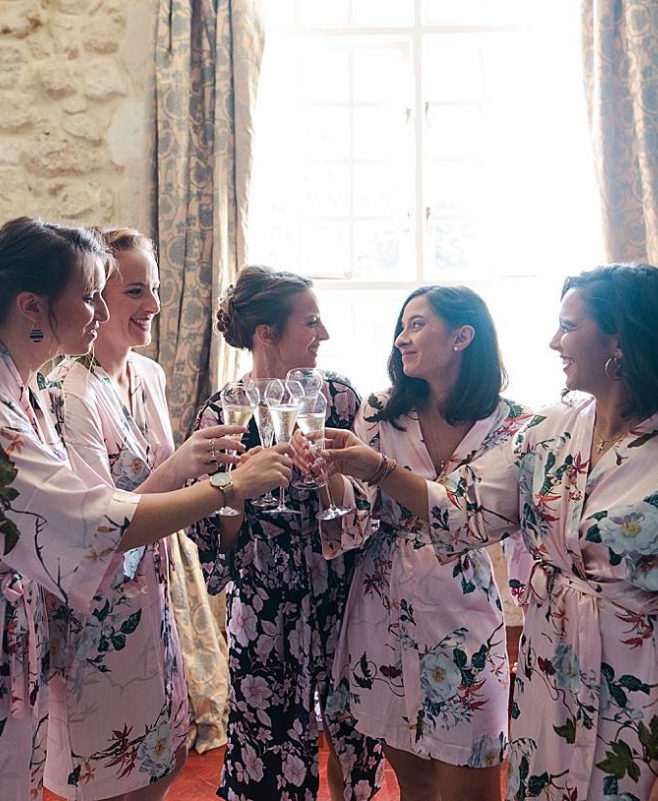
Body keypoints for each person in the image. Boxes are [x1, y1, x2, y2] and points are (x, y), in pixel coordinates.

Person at [0, 218, 291, 801]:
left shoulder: (23, 384)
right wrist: (230, 488)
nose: (100, 310)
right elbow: (89, 522)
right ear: (32, 306)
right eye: (90, 296)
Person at [324, 264, 658, 801]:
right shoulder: (551, 431)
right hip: (546, 674)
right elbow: (462, 509)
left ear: (619, 341)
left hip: (633, 688)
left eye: (568, 326)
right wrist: (374, 468)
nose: (554, 341)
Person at [42, 228, 251, 800]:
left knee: (162, 761)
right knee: (105, 771)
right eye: (136, 291)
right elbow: (94, 526)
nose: (154, 306)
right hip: (93, 606)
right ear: (93, 295)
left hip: (154, 591)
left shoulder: (148, 375)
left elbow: (170, 487)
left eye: (154, 289)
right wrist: (189, 464)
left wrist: (228, 471)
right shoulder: (66, 392)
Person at [314, 286, 535, 801]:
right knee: (413, 779)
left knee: (474, 773)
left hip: (464, 610)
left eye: (417, 325)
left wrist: (379, 469)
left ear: (463, 336)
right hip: (383, 606)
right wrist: (327, 475)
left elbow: (480, 515)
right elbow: (354, 518)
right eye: (401, 325)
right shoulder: (380, 412)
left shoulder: (514, 424)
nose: (402, 338)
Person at [187, 266, 384, 801]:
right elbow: (216, 546)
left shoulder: (341, 399)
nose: (324, 336)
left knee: (356, 737)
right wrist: (236, 493)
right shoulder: (220, 414)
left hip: (343, 593)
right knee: (264, 745)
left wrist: (328, 479)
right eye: (311, 323)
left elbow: (362, 517)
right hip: (263, 602)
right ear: (265, 333)